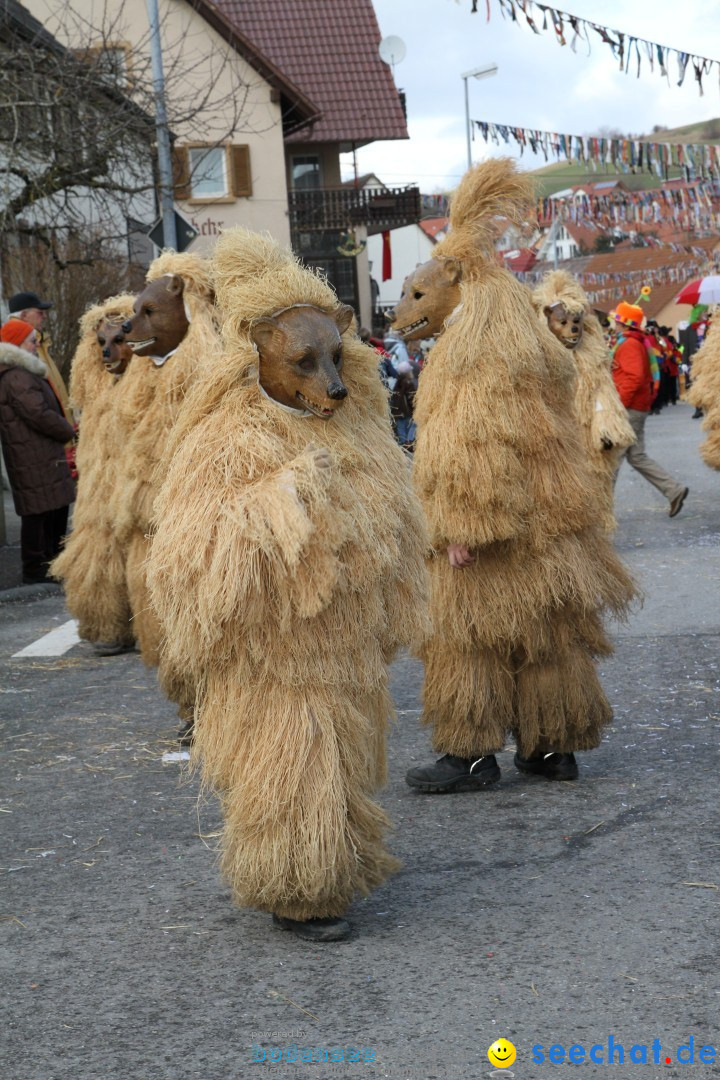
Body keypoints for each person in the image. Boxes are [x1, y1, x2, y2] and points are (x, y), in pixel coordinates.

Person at [0, 319, 76, 583]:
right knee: (38, 513)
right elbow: (38, 413)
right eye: (32, 341)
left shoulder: (20, 371)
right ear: (18, 344)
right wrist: (69, 431)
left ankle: (52, 563)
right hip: (32, 455)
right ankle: (36, 569)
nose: (36, 345)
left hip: (37, 453)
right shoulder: (17, 375)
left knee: (50, 508)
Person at [611, 301, 688, 518]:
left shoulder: (629, 345)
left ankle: (601, 513)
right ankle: (674, 490)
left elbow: (634, 378)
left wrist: (619, 405)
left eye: (617, 321)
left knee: (610, 461)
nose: (615, 324)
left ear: (624, 324)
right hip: (637, 407)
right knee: (636, 456)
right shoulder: (633, 342)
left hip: (630, 409)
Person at [9, 291, 72, 425]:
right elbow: (34, 407)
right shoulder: (21, 347)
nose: (44, 317)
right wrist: (63, 429)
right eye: (40, 312)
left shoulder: (36, 340)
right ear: (24, 315)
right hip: (49, 436)